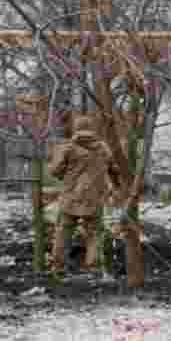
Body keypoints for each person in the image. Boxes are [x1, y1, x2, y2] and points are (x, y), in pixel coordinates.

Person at [47, 115, 120, 272]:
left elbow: (54, 171)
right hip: (95, 197)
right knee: (95, 233)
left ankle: (58, 266)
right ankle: (93, 267)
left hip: (71, 197)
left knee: (63, 231)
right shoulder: (103, 148)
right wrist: (115, 185)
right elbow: (114, 169)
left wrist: (65, 176)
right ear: (92, 129)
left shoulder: (67, 148)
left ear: (76, 129)